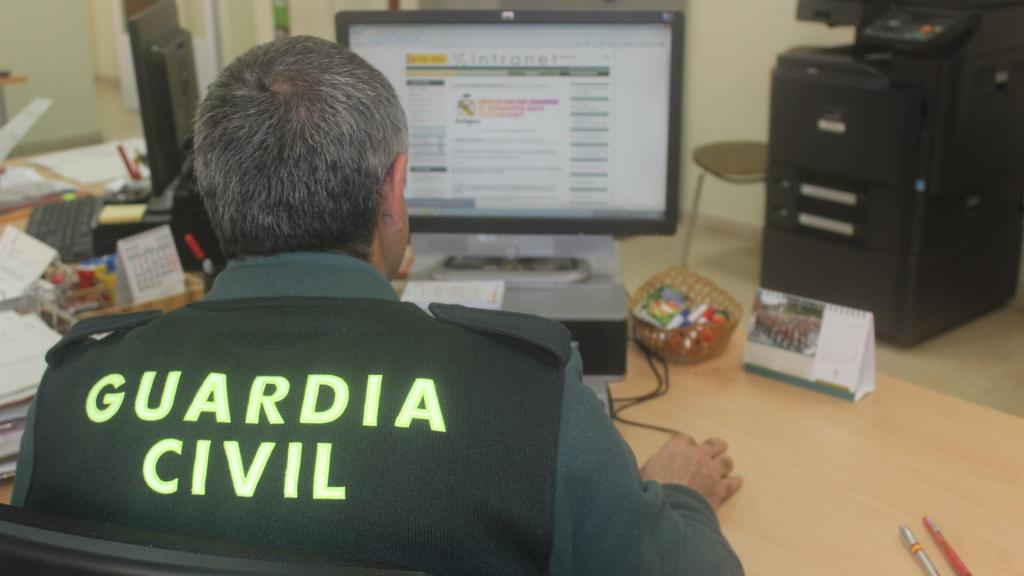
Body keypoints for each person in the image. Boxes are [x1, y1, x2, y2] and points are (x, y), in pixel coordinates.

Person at [13, 36, 743, 575]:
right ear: (393, 190)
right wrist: (681, 498)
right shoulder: (524, 402)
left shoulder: (72, 391)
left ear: (212, 192)